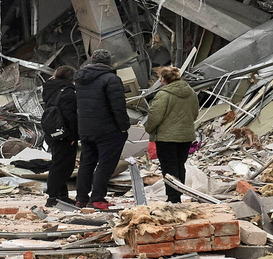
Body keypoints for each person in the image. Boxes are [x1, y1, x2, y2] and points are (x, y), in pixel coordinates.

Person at [73, 49, 130, 210]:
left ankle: (81, 198)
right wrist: (123, 127)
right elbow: (118, 107)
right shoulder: (111, 79)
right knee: (105, 164)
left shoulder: (80, 79)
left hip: (86, 129)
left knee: (86, 164)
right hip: (107, 129)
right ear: (108, 62)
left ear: (91, 60)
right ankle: (97, 198)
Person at [143, 66, 199, 203]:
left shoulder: (163, 94)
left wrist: (148, 129)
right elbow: (195, 113)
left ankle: (173, 198)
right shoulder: (190, 92)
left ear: (163, 79)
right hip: (185, 136)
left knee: (169, 167)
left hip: (166, 137)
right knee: (180, 165)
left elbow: (155, 116)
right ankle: (179, 194)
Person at [40, 66, 78, 207]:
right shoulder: (68, 93)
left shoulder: (51, 89)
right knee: (63, 166)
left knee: (59, 163)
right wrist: (74, 136)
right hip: (65, 134)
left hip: (53, 131)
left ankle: (61, 195)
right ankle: (54, 197)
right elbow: (71, 117)